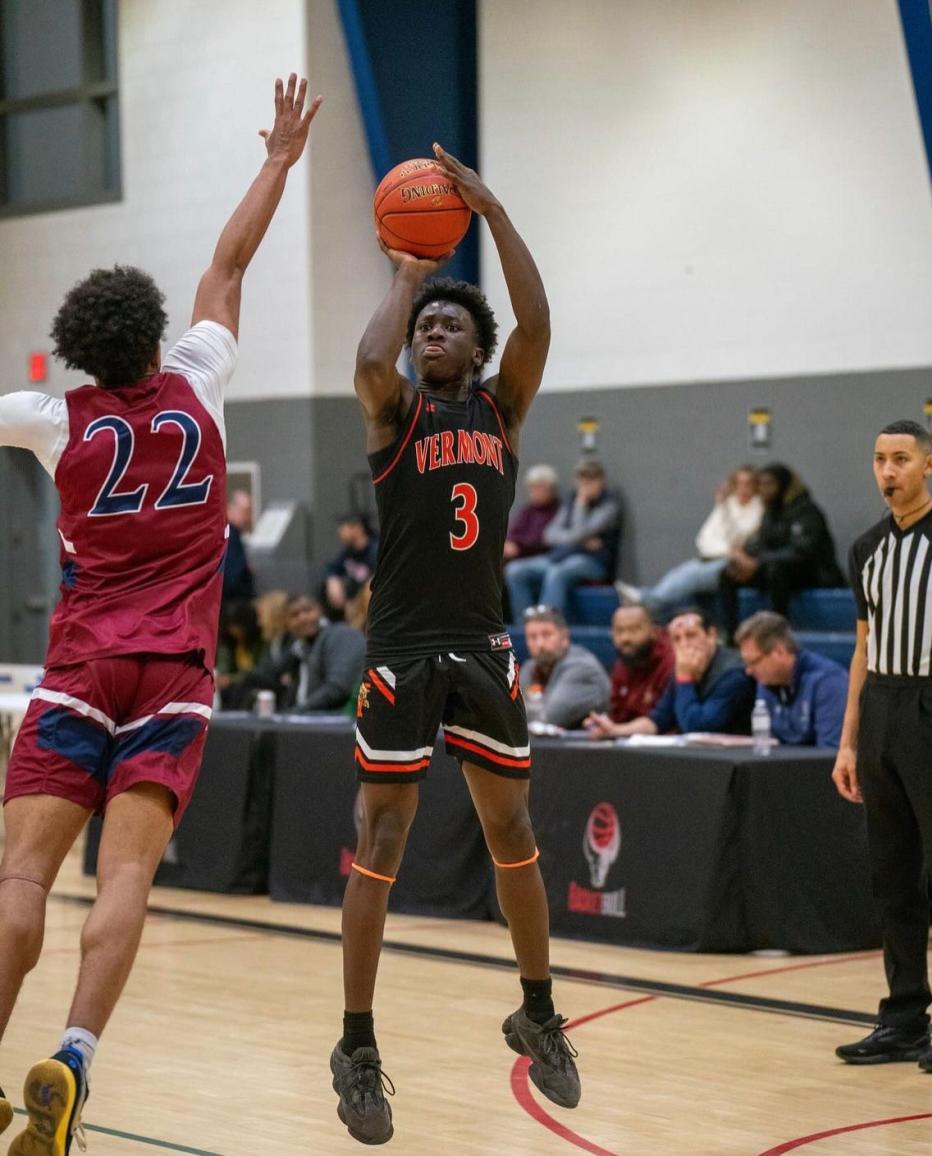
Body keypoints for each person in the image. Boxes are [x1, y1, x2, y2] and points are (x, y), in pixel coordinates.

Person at [0, 75, 321, 1153]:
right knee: (126, 874)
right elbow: (227, 266)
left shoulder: (52, 418)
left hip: (79, 671)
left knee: (19, 881)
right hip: (175, 678)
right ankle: (76, 1053)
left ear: (81, 350)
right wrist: (276, 159)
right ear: (152, 333)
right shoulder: (200, 373)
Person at [333, 142, 579, 1146]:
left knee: (513, 833)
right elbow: (364, 361)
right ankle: (355, 1043)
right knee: (383, 837)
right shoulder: (393, 413)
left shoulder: (500, 405)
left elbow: (538, 323)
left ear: (472, 352)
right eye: (424, 325)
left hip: (481, 644)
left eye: (448, 325)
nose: (432, 331)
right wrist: (406, 271)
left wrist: (495, 210)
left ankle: (540, 1009)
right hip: (400, 641)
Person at [833, 419, 932, 1072]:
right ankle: (904, 1017)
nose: (889, 471)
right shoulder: (866, 548)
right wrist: (848, 741)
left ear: (929, 465)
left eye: (902, 459)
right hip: (881, 706)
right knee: (893, 877)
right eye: (880, 459)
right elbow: (861, 647)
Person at [616, 465, 763, 621]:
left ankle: (643, 602)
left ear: (755, 486)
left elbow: (739, 535)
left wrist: (724, 511)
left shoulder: (759, 507)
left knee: (691, 577)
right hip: (713, 557)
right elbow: (704, 539)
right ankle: (647, 604)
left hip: (733, 565)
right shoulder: (728, 504)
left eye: (748, 484)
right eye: (739, 483)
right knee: (678, 573)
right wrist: (727, 549)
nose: (743, 488)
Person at [719, 463, 843, 635]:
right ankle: (731, 634)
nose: (763, 489)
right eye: (760, 484)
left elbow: (802, 551)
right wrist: (744, 556)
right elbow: (762, 543)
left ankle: (778, 633)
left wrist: (758, 562)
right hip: (773, 566)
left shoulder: (806, 510)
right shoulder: (770, 511)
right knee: (728, 573)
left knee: (776, 570)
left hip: (813, 572)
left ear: (783, 485)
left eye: (769, 484)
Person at [504, 458, 622, 620]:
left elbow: (580, 531)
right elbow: (549, 534)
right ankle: (524, 626)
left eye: (591, 481)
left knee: (556, 573)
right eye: (583, 481)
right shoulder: (570, 499)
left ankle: (545, 624)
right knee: (515, 570)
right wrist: (579, 539)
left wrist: (581, 504)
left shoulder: (610, 504)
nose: (586, 486)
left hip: (592, 561)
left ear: (601, 481)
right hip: (561, 555)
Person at [631, 609, 754, 736]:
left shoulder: (734, 674)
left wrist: (685, 679)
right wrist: (616, 730)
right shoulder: (683, 668)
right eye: (676, 639)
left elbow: (696, 728)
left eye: (691, 635)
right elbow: (658, 720)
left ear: (711, 635)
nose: (684, 644)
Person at [735, 611, 847, 748]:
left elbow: (830, 752)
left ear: (780, 652)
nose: (749, 671)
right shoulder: (767, 681)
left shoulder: (828, 682)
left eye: (753, 662)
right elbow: (767, 744)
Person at [584, 603, 674, 738]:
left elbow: (661, 720)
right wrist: (602, 723)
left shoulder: (670, 661)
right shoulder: (623, 664)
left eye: (634, 630)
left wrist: (616, 729)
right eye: (619, 631)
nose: (625, 638)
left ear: (652, 631)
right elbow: (616, 714)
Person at [519, 606, 610, 729]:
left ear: (564, 637)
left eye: (547, 635)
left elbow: (549, 719)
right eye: (532, 637)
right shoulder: (529, 668)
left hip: (594, 746)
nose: (540, 644)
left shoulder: (581, 667)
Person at [282, 594, 365, 714]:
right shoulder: (297, 650)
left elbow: (338, 688)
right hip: (309, 720)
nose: (303, 617)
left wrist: (295, 712)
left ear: (319, 610)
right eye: (295, 615)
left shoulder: (340, 635)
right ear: (287, 624)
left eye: (308, 610)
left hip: (338, 721)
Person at [322, 513, 379, 627]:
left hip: (373, 604)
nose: (340, 533)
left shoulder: (375, 549)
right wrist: (332, 580)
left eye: (343, 528)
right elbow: (331, 568)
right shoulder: (349, 552)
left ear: (357, 528)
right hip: (352, 604)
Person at [503, 464, 561, 563]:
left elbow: (544, 539)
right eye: (532, 488)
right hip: (519, 554)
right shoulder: (528, 510)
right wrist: (510, 543)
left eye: (538, 488)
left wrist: (518, 546)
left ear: (551, 489)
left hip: (543, 556)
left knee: (515, 570)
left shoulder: (558, 510)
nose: (534, 492)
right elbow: (514, 531)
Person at [223, 487, 256, 600]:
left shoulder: (234, 535)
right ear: (231, 508)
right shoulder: (230, 537)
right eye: (245, 511)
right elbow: (233, 577)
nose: (248, 516)